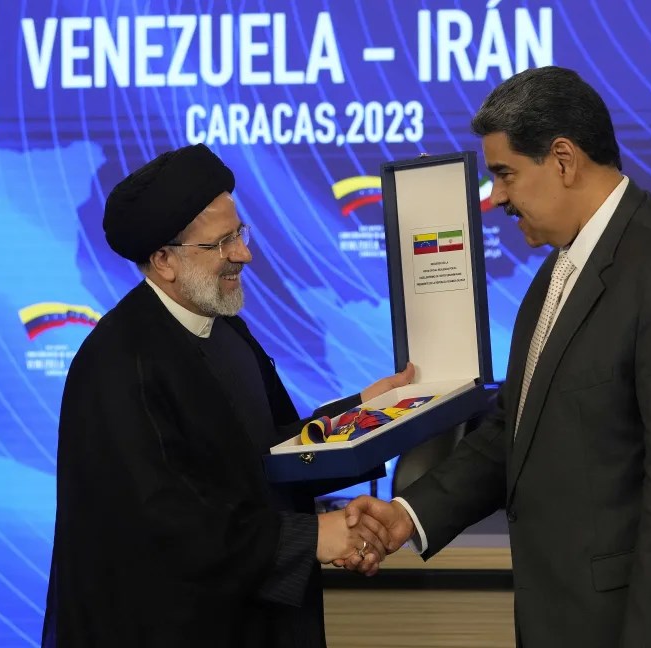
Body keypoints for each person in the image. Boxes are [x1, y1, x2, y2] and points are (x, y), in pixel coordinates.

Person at [341, 66, 651, 647]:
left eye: (505, 175)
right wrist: (409, 515)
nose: (495, 198)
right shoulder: (556, 276)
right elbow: (512, 432)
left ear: (564, 159)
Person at [41, 143, 407, 647]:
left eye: (239, 233)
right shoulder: (118, 365)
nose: (244, 253)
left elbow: (271, 450)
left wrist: (363, 413)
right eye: (221, 243)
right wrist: (314, 538)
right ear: (164, 260)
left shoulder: (225, 330)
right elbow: (167, 529)